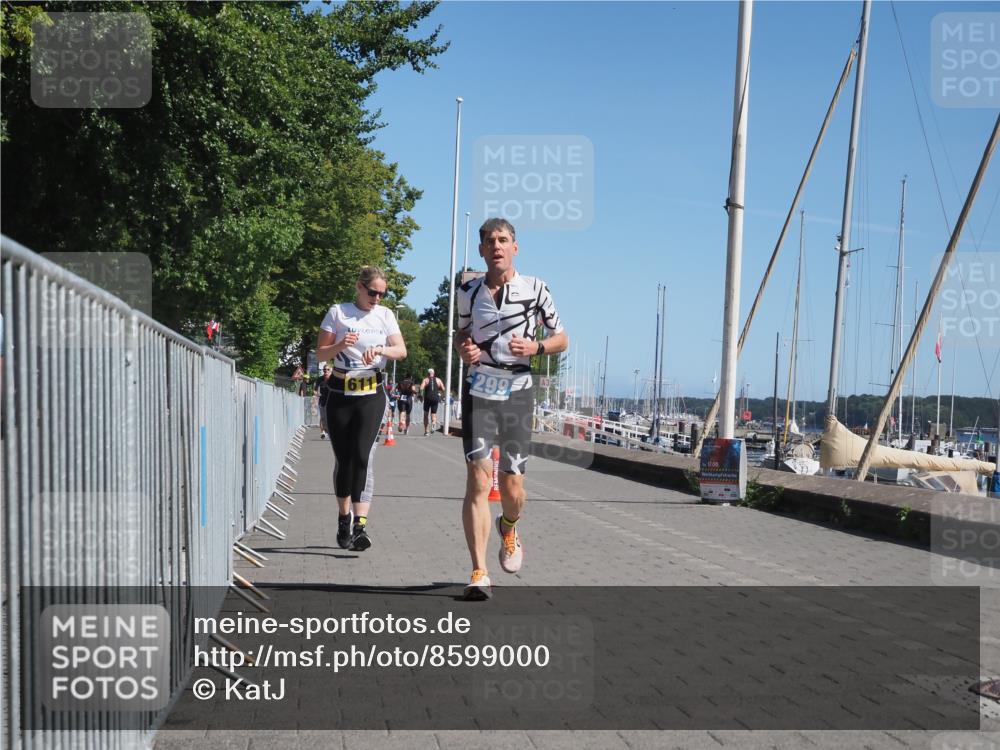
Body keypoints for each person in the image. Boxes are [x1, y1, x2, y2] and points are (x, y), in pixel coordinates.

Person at [455, 218, 568, 599]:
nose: (497, 246)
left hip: (518, 392)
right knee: (478, 478)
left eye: (503, 240)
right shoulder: (468, 292)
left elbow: (562, 338)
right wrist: (463, 347)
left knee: (512, 486)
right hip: (480, 389)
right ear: (481, 250)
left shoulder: (536, 289)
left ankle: (509, 524)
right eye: (490, 241)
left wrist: (537, 348)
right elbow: (461, 334)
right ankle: (479, 571)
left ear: (515, 248)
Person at [316, 266, 407, 552]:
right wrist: (341, 344)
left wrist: (380, 350)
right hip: (340, 392)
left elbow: (401, 351)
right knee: (344, 461)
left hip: (371, 394)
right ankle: (344, 518)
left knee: (362, 456)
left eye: (382, 294)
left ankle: (360, 527)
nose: (377, 298)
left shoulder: (385, 315)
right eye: (372, 292)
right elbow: (320, 353)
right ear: (359, 286)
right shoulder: (338, 313)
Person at [420, 368, 445, 435]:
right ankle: (433, 424)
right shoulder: (438, 380)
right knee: (433, 414)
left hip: (427, 398)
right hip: (435, 398)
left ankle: (426, 431)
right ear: (434, 373)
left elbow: (421, 388)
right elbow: (443, 389)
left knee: (426, 415)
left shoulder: (425, 380)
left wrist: (421, 396)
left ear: (428, 373)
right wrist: (441, 395)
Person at [317, 366, 333, 439]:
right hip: (322, 401)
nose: (326, 371)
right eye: (324, 370)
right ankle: (323, 432)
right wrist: (317, 393)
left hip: (332, 402)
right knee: (323, 418)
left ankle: (330, 432)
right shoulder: (320, 379)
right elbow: (315, 390)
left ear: (331, 371)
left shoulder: (334, 379)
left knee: (330, 417)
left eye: (328, 369)